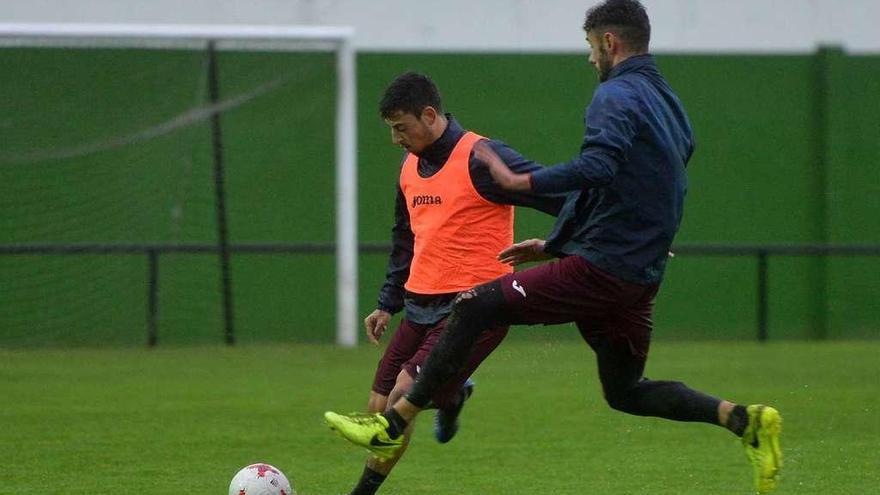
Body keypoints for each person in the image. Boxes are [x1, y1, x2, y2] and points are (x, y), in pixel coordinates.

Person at [324, 1, 783, 494]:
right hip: (636, 273)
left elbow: (597, 169)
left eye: (590, 47)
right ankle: (743, 421)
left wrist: (522, 181)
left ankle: (396, 422)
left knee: (476, 305)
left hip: (602, 266)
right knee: (625, 391)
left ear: (608, 43)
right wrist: (609, 236)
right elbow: (672, 163)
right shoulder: (666, 98)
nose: (589, 59)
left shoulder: (613, 95)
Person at [333, 72, 563, 495]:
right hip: (419, 305)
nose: (395, 139)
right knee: (378, 406)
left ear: (429, 115)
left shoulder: (481, 157)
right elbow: (405, 239)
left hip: (474, 308)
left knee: (404, 395)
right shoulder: (408, 168)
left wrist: (616, 235)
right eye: (391, 130)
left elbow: (558, 193)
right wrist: (387, 302)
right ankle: (451, 394)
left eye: (401, 128)